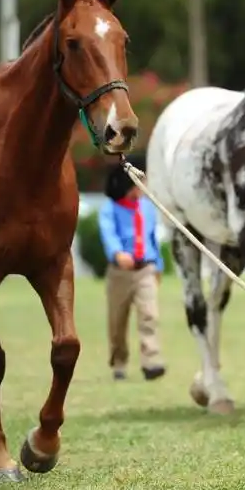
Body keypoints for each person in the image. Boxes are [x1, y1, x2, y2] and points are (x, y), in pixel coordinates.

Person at [98, 156, 166, 382]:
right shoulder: (110, 208)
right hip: (120, 273)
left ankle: (151, 361)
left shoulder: (147, 207)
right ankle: (119, 362)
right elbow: (108, 234)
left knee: (150, 315)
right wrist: (118, 253)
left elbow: (152, 237)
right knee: (117, 322)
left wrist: (158, 265)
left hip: (145, 269)